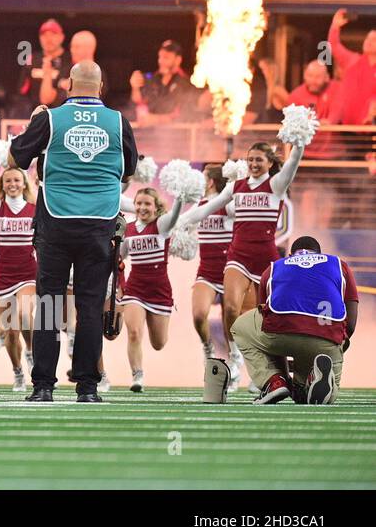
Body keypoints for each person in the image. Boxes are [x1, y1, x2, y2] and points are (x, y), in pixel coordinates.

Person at [8, 61, 138, 402]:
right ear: (100, 87)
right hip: (99, 222)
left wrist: (35, 122)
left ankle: (43, 387)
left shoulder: (50, 118)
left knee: (50, 304)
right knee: (90, 307)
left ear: (68, 84)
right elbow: (128, 171)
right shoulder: (118, 121)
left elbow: (16, 158)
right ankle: (88, 387)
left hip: (55, 221)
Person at [187, 138, 307, 391]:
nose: (253, 163)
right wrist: (177, 221)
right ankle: (234, 358)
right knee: (230, 308)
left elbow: (294, 163)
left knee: (264, 318)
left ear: (269, 163)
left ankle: (265, 370)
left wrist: (300, 141)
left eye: (258, 160)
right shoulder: (236, 186)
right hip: (237, 257)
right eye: (250, 159)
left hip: (265, 259)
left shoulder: (275, 185)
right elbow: (207, 209)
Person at [231, 236, 358, 405]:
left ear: (291, 255)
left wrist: (282, 376)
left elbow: (266, 320)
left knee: (239, 326)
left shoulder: (274, 267)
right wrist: (335, 346)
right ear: (321, 254)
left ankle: (273, 382)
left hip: (282, 333)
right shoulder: (338, 265)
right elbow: (351, 323)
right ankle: (314, 378)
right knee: (309, 395)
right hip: (326, 336)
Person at [117, 186, 196, 393]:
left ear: (155, 207)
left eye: (147, 204)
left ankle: (143, 365)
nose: (142, 207)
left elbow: (175, 215)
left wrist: (180, 198)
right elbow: (120, 257)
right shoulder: (129, 229)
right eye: (139, 203)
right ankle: (137, 375)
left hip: (159, 290)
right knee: (133, 332)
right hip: (135, 288)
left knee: (158, 343)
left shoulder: (161, 225)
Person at [176, 164, 236, 374]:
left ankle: (233, 357)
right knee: (199, 315)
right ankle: (208, 348)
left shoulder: (228, 205)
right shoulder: (200, 206)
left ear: (210, 182)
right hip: (207, 273)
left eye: (203, 179)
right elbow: (182, 223)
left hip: (230, 273)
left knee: (231, 318)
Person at [0, 167, 38, 392]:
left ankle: (31, 351)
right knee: (9, 331)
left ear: (24, 183)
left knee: (25, 315)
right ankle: (18, 374)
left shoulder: (35, 210)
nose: (13, 184)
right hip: (3, 277)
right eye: (8, 181)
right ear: (1, 185)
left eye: (17, 180)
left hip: (28, 274)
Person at [327, 9, 376, 126]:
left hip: (370, 127)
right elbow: (334, 46)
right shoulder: (353, 60)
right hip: (345, 126)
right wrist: (335, 26)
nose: (368, 41)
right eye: (367, 38)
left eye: (374, 40)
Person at [130, 40, 196, 125]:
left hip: (175, 135)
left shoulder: (185, 83)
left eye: (166, 57)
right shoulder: (153, 78)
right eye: (160, 57)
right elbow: (139, 101)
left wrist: (156, 119)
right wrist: (135, 87)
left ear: (177, 60)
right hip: (149, 134)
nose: (160, 61)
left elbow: (184, 115)